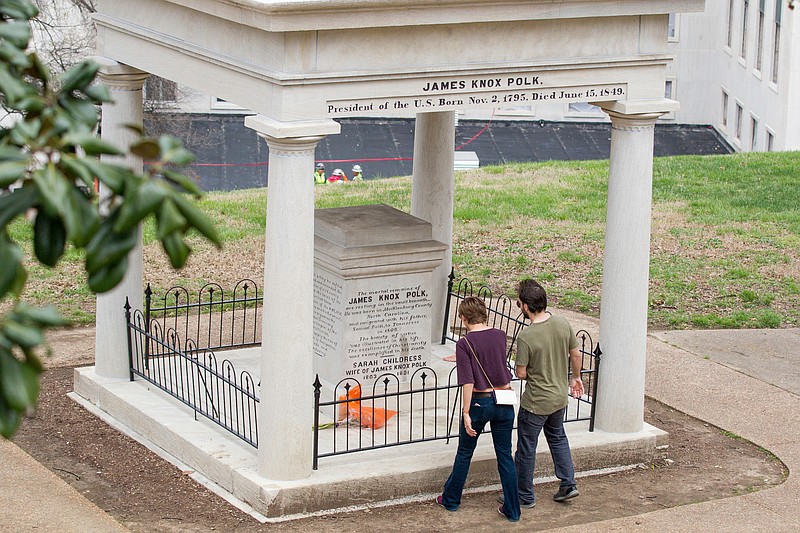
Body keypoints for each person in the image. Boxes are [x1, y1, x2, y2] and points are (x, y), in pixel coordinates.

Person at [436, 297, 521, 522]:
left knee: (465, 452)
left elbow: (468, 382)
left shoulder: (465, 343)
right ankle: (513, 509)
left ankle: (451, 499)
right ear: (484, 313)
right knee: (505, 455)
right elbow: (493, 359)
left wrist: (465, 413)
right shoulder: (500, 335)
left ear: (463, 317)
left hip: (480, 402)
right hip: (504, 399)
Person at [513, 279, 585, 507]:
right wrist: (576, 377)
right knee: (557, 437)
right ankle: (568, 483)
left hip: (535, 402)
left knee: (526, 448)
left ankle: (524, 495)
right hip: (559, 397)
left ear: (525, 306)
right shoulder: (562, 324)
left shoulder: (526, 337)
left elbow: (522, 373)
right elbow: (575, 354)